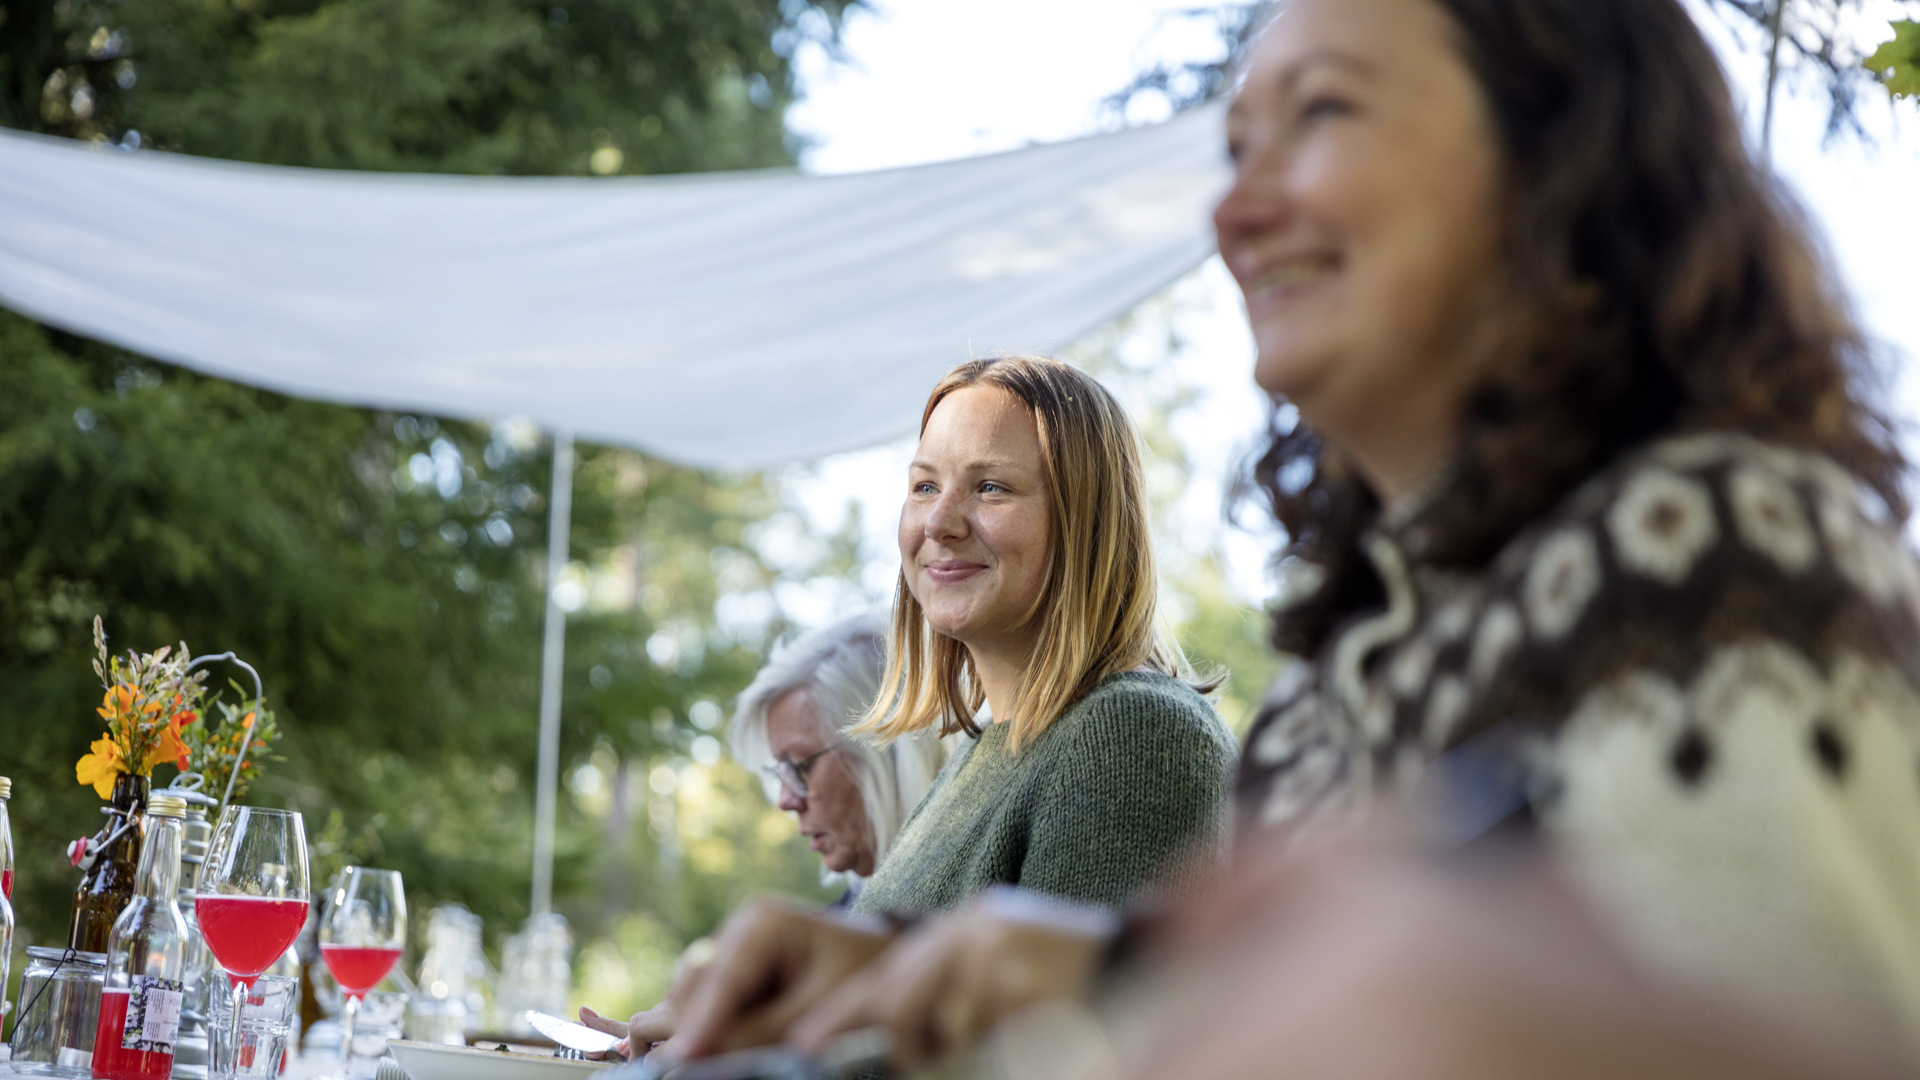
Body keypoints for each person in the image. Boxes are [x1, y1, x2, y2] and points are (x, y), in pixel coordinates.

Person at [639, 0, 1920, 1073]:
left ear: (1564, 152)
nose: (1236, 211)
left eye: (1323, 113)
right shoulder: (1341, 670)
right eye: (1239, 146)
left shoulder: (1711, 549)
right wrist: (1013, 970)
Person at [586, 355, 1238, 1060]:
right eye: (924, 485)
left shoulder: (1131, 735)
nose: (940, 521)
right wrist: (729, 1040)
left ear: (1088, 522)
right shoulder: (983, 755)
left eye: (990, 487)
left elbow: (1074, 1061)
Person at [728, 611, 947, 896]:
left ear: (886, 747)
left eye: (801, 767)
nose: (786, 801)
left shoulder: (983, 890)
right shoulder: (856, 914)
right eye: (781, 772)